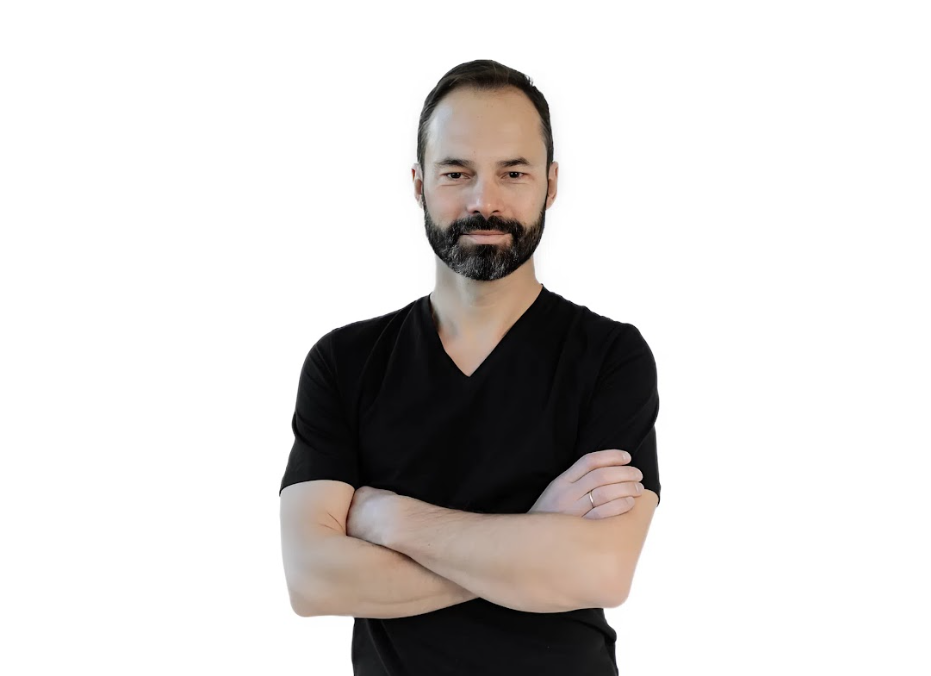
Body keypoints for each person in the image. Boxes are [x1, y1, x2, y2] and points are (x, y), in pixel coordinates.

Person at [279, 59, 661, 676]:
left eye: (514, 172)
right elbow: (312, 581)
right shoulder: (344, 362)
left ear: (551, 184)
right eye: (457, 172)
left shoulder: (610, 356)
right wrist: (534, 539)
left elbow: (602, 571)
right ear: (418, 184)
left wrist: (391, 519)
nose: (485, 201)